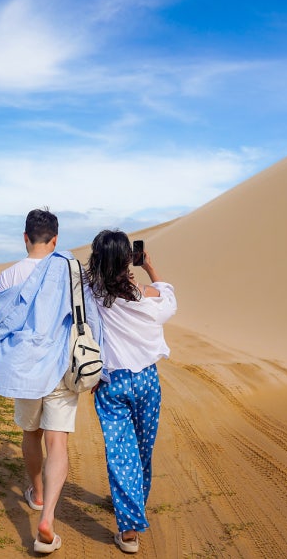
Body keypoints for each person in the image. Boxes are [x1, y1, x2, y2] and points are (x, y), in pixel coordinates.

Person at [0, 208, 102, 555]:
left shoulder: (9, 275)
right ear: (56, 240)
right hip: (62, 366)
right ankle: (47, 518)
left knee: (31, 433)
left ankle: (37, 493)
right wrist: (97, 367)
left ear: (26, 238)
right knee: (57, 442)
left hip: (23, 368)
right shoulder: (73, 270)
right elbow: (90, 320)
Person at [86, 230, 176, 554]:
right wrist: (150, 268)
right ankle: (134, 508)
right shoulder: (144, 296)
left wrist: (104, 267)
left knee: (122, 454)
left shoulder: (91, 292)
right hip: (147, 383)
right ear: (129, 260)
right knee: (141, 450)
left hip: (112, 385)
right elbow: (170, 301)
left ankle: (129, 530)